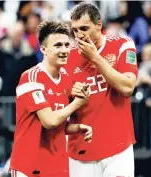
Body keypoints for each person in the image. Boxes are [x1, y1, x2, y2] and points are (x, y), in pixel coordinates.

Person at [9, 21, 92, 177]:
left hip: (56, 164)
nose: (64, 50)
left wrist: (77, 128)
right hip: (29, 164)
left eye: (67, 45)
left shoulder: (67, 79)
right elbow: (50, 121)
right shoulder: (31, 77)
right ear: (43, 49)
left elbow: (59, 125)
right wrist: (77, 103)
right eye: (58, 45)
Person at [64, 2, 138, 177]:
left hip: (118, 149)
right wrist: (69, 93)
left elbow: (127, 87)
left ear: (99, 25)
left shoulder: (122, 45)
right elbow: (59, 102)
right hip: (81, 152)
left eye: (84, 28)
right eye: (75, 30)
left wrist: (95, 58)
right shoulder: (67, 57)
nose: (79, 35)